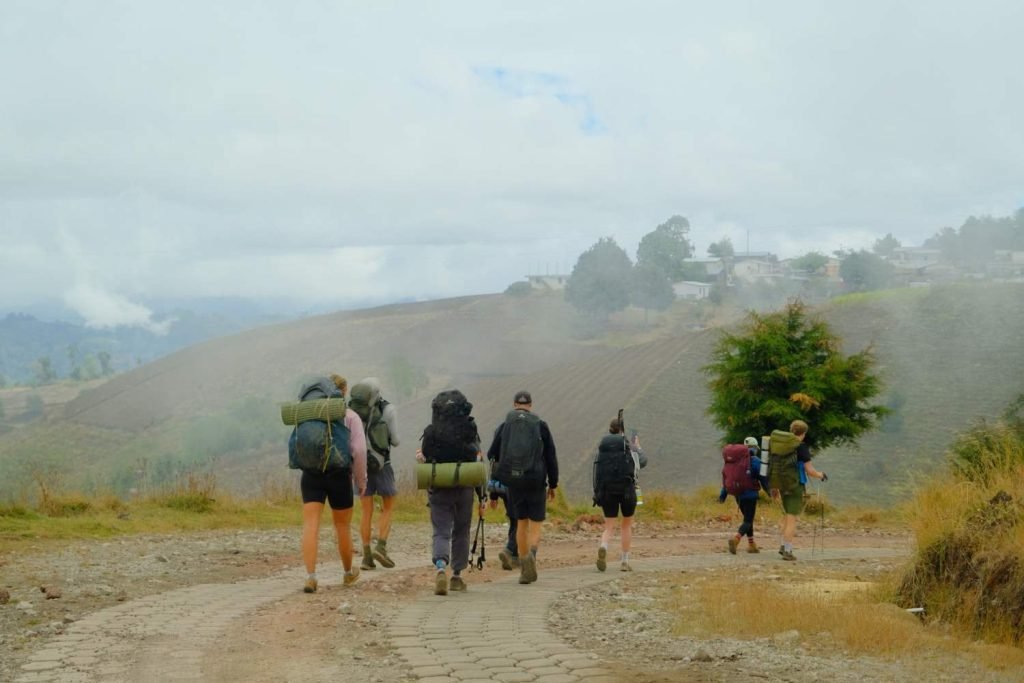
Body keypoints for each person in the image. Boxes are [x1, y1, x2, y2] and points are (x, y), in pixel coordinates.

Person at [298, 374, 367, 592]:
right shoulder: (351, 416)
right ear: (343, 392)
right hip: (339, 475)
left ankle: (311, 576)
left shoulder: (309, 414)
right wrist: (360, 479)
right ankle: (347, 573)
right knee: (342, 526)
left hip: (311, 473)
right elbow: (359, 450)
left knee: (311, 525)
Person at [418, 389, 486, 595]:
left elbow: (426, 456)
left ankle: (440, 567)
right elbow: (478, 462)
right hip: (464, 487)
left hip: (439, 486)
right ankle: (456, 576)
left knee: (441, 531)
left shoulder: (431, 432)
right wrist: (482, 495)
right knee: (461, 531)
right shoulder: (469, 429)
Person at [487, 390, 558, 585]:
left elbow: (491, 453)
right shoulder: (540, 425)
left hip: (514, 482)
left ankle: (524, 563)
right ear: (530, 405)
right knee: (535, 525)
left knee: (521, 523)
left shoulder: (505, 426)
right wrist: (553, 483)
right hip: (536, 480)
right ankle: (531, 559)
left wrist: (495, 485)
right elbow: (551, 456)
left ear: (514, 404)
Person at [351, 377, 401, 571]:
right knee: (388, 507)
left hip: (360, 466)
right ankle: (381, 546)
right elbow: (395, 441)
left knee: (366, 511)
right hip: (382, 464)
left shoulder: (352, 411)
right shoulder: (388, 410)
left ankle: (366, 557)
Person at [593, 417, 647, 572]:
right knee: (626, 525)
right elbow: (642, 462)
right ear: (622, 430)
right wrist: (637, 447)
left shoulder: (603, 447)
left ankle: (603, 546)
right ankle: (624, 561)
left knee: (609, 526)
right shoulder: (629, 446)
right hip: (627, 491)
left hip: (607, 490)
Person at [770, 419, 827, 561]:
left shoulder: (781, 446)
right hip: (795, 486)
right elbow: (810, 471)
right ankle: (788, 551)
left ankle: (783, 546)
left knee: (786, 517)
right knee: (791, 519)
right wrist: (821, 475)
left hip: (782, 485)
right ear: (804, 433)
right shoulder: (801, 447)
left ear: (791, 431)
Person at [719, 436, 768, 555]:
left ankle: (751, 545)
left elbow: (727, 478)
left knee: (747, 519)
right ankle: (736, 539)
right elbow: (763, 478)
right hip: (750, 494)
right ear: (754, 449)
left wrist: (722, 496)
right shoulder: (755, 461)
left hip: (737, 494)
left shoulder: (733, 461)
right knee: (748, 520)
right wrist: (770, 492)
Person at [486, 477, 519, 570]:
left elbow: (496, 467)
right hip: (516, 486)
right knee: (521, 522)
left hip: (503, 487)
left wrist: (493, 495)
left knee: (514, 522)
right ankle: (509, 551)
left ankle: (514, 557)